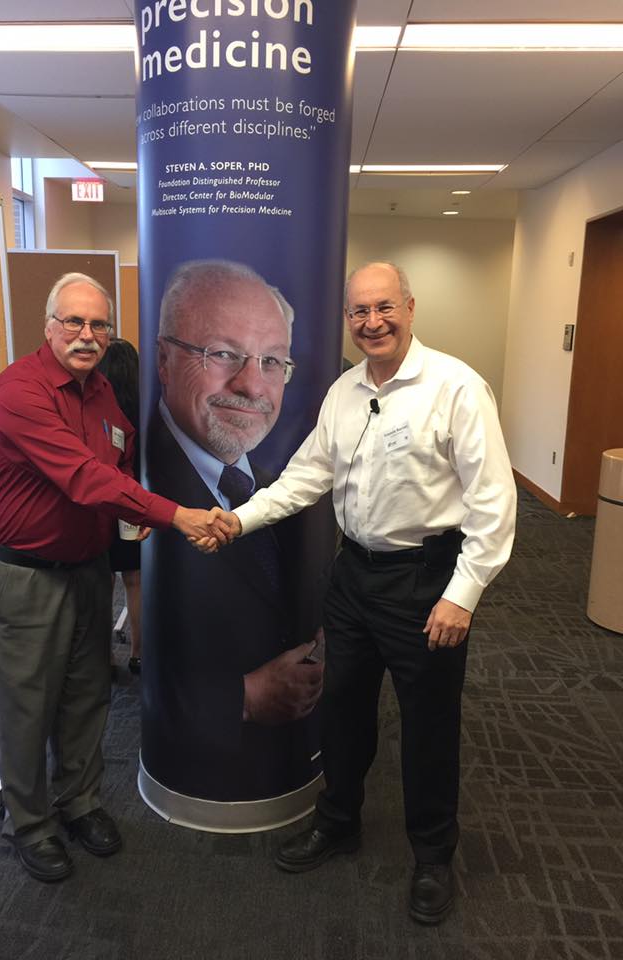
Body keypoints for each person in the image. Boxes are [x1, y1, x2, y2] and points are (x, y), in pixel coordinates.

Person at [199, 262, 517, 924]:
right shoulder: (344, 392)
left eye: (384, 308)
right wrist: (239, 518)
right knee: (340, 709)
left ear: (409, 306)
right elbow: (305, 477)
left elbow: (494, 503)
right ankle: (338, 820)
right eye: (359, 312)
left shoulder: (455, 387)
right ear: (348, 320)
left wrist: (464, 593)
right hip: (355, 579)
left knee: (428, 726)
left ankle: (432, 856)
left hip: (427, 581)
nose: (372, 322)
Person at [0, 272, 230, 883]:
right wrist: (178, 516)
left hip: (86, 568)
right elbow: (86, 477)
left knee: (87, 693)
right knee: (27, 704)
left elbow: (123, 458)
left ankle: (79, 802)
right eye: (74, 322)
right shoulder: (20, 390)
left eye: (99, 325)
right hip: (23, 573)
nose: (87, 335)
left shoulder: (100, 394)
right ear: (48, 326)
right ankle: (29, 822)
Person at [143, 259, 329, 804]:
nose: (252, 385)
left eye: (272, 361)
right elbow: (135, 654)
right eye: (222, 354)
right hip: (199, 772)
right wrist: (241, 699)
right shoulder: (137, 475)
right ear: (163, 361)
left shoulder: (282, 480)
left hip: (288, 757)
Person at [97, 338, 143, 677]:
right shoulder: (149, 410)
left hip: (101, 505)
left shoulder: (96, 411)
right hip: (137, 505)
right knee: (135, 581)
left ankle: (105, 657)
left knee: (102, 582)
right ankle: (138, 652)